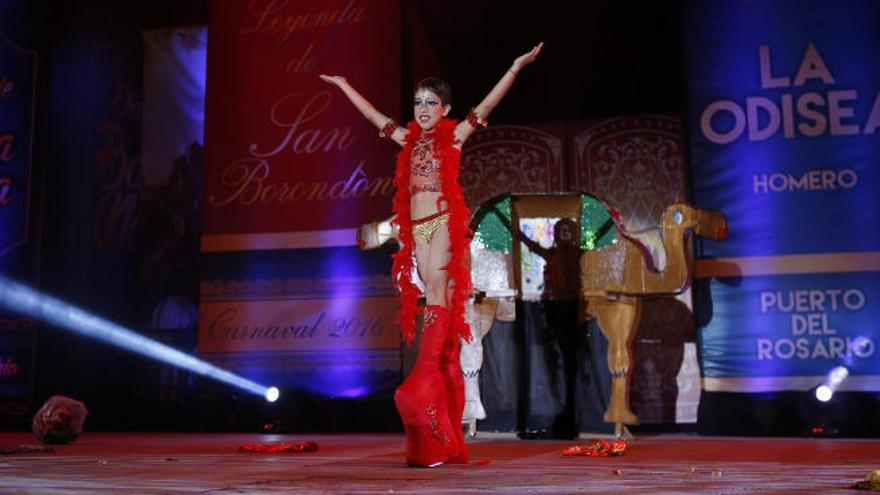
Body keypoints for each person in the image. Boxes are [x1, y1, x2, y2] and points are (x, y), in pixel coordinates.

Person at [320, 42, 543, 467]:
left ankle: (416, 385)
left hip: (443, 224)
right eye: (418, 102)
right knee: (447, 356)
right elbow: (372, 116)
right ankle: (449, 443)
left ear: (445, 109)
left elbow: (488, 103)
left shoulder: (454, 137)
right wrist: (345, 85)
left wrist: (515, 67)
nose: (423, 108)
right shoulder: (406, 140)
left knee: (438, 298)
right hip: (417, 232)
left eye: (431, 102)